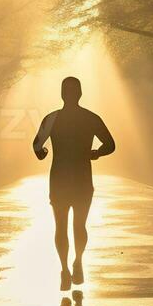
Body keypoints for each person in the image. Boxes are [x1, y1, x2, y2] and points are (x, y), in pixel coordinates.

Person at [33, 77, 115, 290]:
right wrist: (95, 153)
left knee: (60, 227)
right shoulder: (90, 118)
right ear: (80, 93)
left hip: (59, 179)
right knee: (79, 226)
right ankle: (78, 262)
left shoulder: (52, 118)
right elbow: (111, 144)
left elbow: (36, 146)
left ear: (62, 94)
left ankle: (64, 270)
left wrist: (42, 153)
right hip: (82, 179)